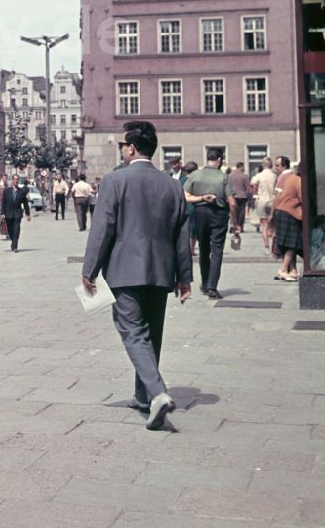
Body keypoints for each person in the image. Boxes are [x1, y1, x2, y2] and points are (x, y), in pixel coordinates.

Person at [81, 120, 191, 431]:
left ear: (131, 149)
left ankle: (157, 394)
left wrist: (89, 269)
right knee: (151, 334)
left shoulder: (116, 181)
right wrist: (185, 278)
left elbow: (102, 229)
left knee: (133, 332)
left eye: (123, 147)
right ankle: (143, 397)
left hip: (125, 270)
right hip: (161, 271)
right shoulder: (172, 184)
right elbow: (182, 235)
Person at [184, 149, 233, 299]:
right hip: (218, 214)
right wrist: (236, 221)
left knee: (203, 249)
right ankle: (212, 286)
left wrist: (201, 198)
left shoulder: (195, 175)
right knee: (217, 250)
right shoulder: (224, 176)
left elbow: (185, 196)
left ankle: (205, 283)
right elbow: (232, 201)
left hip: (200, 213)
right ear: (219, 160)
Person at [272, 157, 303, 282]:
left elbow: (278, 196)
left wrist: (272, 214)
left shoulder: (289, 178)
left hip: (281, 211)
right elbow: (303, 199)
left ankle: (293, 270)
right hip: (290, 212)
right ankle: (284, 269)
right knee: (293, 243)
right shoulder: (298, 180)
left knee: (288, 243)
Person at [250, 158, 277, 252]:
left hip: (261, 201)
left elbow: (253, 186)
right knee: (273, 226)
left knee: (264, 226)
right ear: (271, 165)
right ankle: (275, 247)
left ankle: (266, 247)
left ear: (263, 165)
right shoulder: (274, 176)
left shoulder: (259, 176)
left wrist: (255, 196)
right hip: (272, 201)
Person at [2, 173, 30, 253]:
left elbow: (25, 203)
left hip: (17, 213)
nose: (16, 181)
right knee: (10, 230)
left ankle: (15, 246)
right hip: (8, 213)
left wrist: (28, 214)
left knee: (16, 229)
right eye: (14, 179)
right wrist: (2, 212)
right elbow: (3, 202)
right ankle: (13, 241)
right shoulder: (6, 191)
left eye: (17, 179)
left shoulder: (22, 191)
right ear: (12, 180)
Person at [228, 162, 251, 245]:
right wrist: (248, 195)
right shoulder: (244, 176)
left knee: (233, 211)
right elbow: (248, 188)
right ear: (241, 167)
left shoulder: (230, 175)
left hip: (232, 196)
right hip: (242, 195)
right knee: (241, 212)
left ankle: (233, 224)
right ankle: (240, 227)